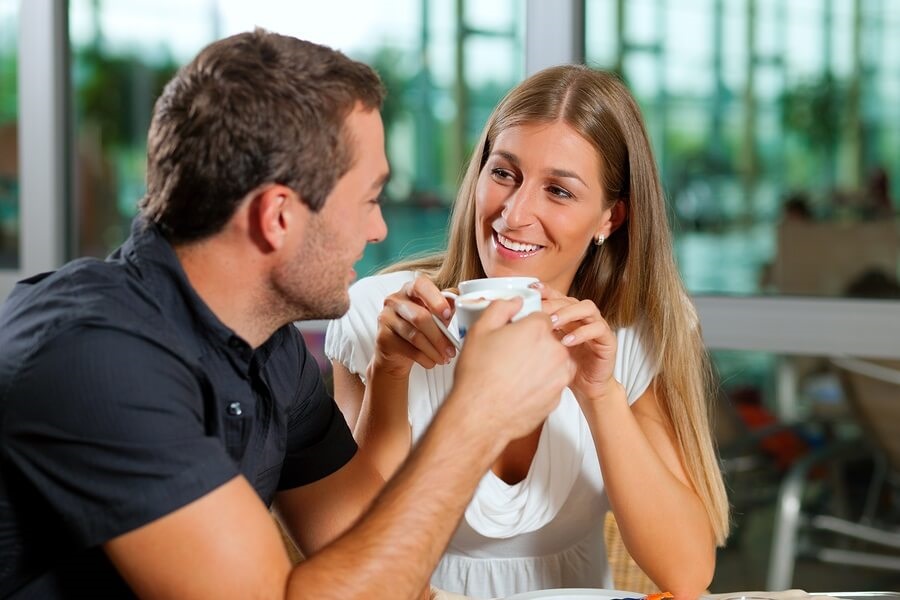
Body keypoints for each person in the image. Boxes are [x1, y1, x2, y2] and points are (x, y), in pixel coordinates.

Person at [0, 30, 576, 599]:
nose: (378, 230)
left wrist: (398, 376)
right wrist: (477, 416)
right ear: (277, 217)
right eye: (370, 199)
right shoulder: (92, 355)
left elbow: (375, 569)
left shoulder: (269, 349)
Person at [326, 65, 730, 599]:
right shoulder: (379, 315)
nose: (514, 215)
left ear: (611, 217)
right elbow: (352, 556)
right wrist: (391, 373)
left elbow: (686, 572)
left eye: (558, 191)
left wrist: (597, 393)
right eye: (504, 174)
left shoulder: (635, 331)